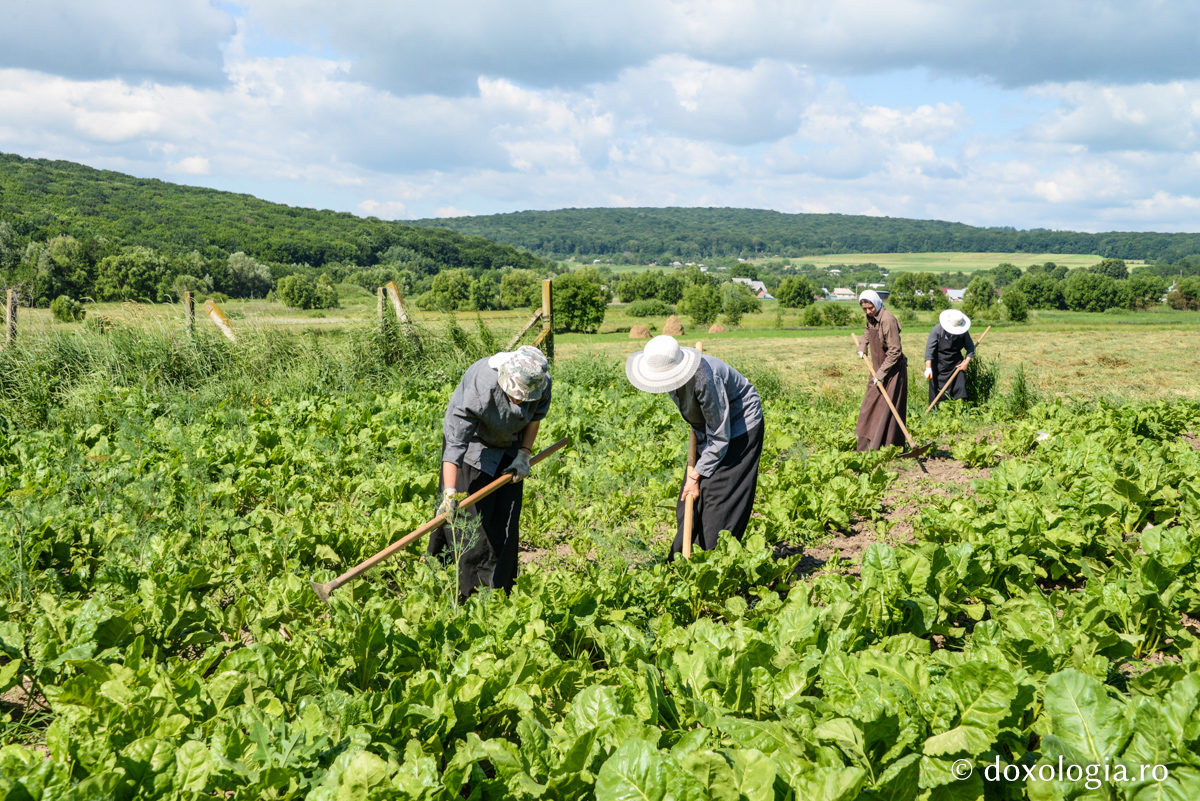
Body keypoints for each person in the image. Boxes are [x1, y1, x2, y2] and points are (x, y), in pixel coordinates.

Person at [427, 345, 551, 601]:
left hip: (510, 447)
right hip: (473, 446)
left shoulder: (540, 380)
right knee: (470, 524)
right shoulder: (480, 387)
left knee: (505, 519)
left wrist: (524, 454)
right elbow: (455, 445)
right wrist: (450, 493)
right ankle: (469, 594)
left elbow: (535, 417)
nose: (519, 400)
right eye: (514, 395)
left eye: (524, 397)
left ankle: (499, 593)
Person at [625, 335, 763, 557]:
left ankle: (710, 562)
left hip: (738, 426)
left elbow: (720, 436)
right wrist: (696, 476)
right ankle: (681, 560)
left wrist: (695, 477)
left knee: (720, 498)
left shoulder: (704, 379)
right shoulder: (671, 375)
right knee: (688, 500)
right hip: (711, 431)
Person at [854, 289, 908, 451]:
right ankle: (867, 446)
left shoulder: (888, 320)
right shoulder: (871, 317)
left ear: (876, 303)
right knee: (869, 408)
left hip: (893, 370)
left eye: (870, 308)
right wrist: (862, 346)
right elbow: (866, 333)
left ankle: (889, 447)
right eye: (865, 309)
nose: (868, 311)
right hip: (878, 370)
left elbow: (895, 351)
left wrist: (881, 374)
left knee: (887, 409)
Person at [925, 309, 975, 408]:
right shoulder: (937, 329)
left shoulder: (963, 331)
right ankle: (935, 413)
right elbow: (929, 350)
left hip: (956, 364)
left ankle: (961, 411)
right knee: (936, 389)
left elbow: (970, 347)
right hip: (938, 364)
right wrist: (928, 368)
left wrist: (966, 362)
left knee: (960, 387)